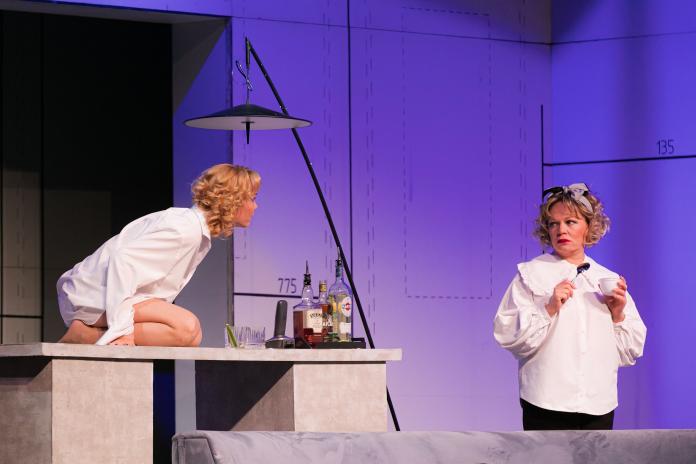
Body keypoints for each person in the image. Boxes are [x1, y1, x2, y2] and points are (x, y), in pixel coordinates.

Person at [493, 183, 646, 430]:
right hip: (546, 402)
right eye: (553, 223)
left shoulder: (606, 279)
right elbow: (509, 334)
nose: (561, 230)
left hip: (598, 404)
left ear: (589, 226)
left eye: (570, 222)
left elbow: (629, 352)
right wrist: (549, 308)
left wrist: (617, 314)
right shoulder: (531, 274)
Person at [57, 163, 260, 346]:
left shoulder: (192, 228)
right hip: (92, 295)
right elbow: (123, 261)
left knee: (191, 335)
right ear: (232, 200)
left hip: (103, 295)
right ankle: (86, 336)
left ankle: (92, 333)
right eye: (252, 199)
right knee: (186, 327)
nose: (255, 206)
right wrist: (123, 330)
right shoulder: (185, 229)